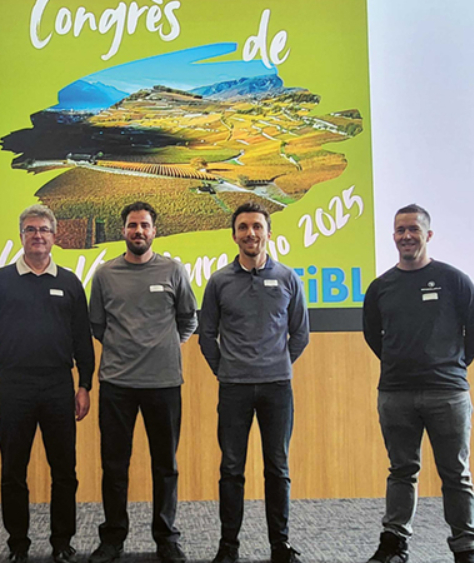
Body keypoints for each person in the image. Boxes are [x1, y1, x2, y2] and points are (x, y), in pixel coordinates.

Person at [362, 204, 474, 563]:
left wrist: (451, 365)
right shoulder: (380, 287)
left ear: (428, 234)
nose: (406, 236)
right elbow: (373, 336)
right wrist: (400, 364)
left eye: (414, 229)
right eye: (400, 230)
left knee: (456, 474)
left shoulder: (454, 280)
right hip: (395, 394)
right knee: (401, 471)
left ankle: (467, 548)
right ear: (393, 236)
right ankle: (394, 545)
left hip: (447, 394)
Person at [0, 204, 95, 563]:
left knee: (64, 471)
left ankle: (62, 542)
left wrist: (84, 386)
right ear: (21, 236)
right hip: (14, 386)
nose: (37, 235)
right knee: (13, 471)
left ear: (54, 236)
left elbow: (82, 341)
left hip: (58, 386)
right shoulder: (0, 281)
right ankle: (18, 544)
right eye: (30, 229)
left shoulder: (70, 282)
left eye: (43, 229)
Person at [198, 202, 310, 563]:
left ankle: (280, 546)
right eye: (243, 227)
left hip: (277, 388)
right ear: (234, 236)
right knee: (231, 469)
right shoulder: (219, 281)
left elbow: (300, 334)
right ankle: (228, 547)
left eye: (257, 227)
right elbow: (206, 335)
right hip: (234, 388)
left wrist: (278, 363)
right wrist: (225, 369)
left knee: (277, 468)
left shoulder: (288, 278)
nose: (251, 233)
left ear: (268, 233)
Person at [87, 201, 198, 563]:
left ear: (154, 231)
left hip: (164, 383)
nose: (138, 231)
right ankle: (113, 538)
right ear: (123, 230)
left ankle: (166, 538)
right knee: (114, 465)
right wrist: (126, 349)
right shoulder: (104, 274)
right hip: (117, 384)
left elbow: (188, 319)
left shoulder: (173, 270)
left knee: (165, 465)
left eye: (145, 225)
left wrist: (164, 347)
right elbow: (97, 325)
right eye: (132, 225)